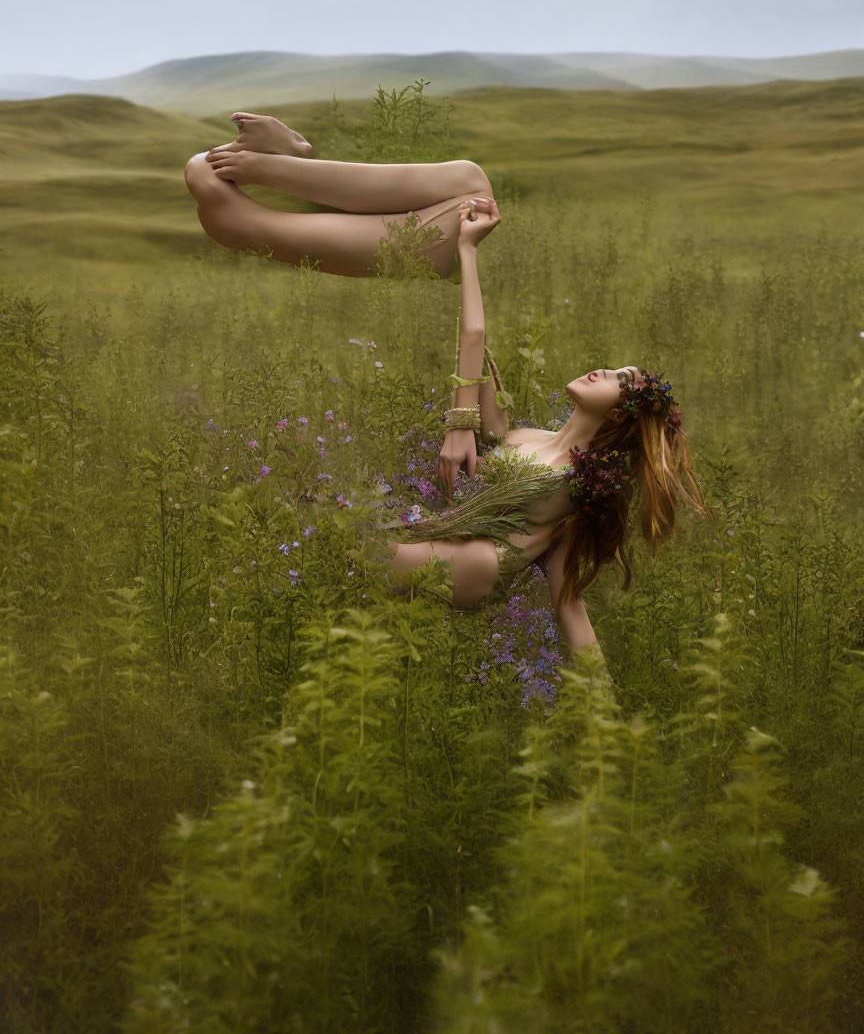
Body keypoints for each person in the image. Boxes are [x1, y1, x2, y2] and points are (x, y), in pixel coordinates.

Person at [380, 201, 705, 662]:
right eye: (614, 368)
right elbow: (473, 343)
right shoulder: (524, 436)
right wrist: (462, 255)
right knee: (344, 567)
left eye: (618, 379)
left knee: (353, 556)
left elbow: (569, 603)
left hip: (481, 564)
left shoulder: (580, 486)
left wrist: (597, 705)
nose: (603, 370)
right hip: (444, 538)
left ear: (619, 415)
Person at [183, 111, 497, 278]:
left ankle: (284, 158)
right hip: (443, 243)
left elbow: (474, 334)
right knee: (470, 178)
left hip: (439, 248)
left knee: (205, 175)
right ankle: (281, 159)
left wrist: (466, 250)